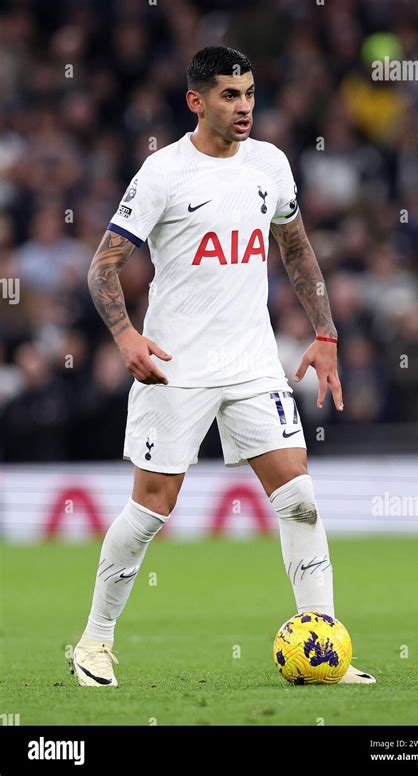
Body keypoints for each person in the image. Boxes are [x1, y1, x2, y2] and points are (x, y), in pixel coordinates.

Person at [72, 46, 375, 687]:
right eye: (230, 96)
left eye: (251, 94)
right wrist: (126, 336)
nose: (245, 108)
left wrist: (325, 331)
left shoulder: (270, 164)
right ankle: (94, 643)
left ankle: (323, 646)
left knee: (300, 500)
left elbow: (294, 246)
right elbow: (102, 265)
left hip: (253, 364)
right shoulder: (163, 173)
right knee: (153, 508)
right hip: (174, 366)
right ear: (197, 101)